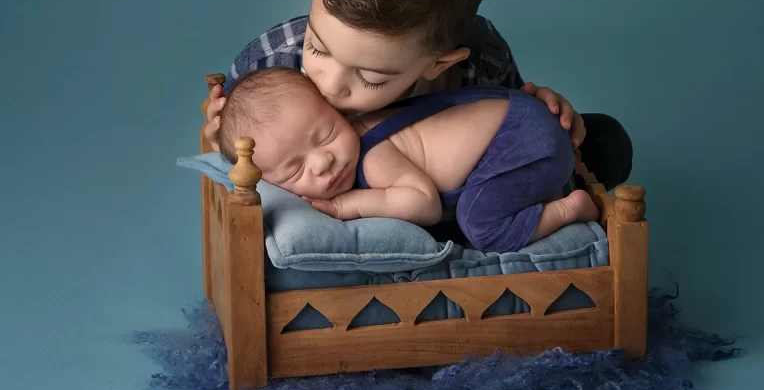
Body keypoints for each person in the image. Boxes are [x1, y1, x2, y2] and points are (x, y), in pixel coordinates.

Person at [205, 0, 632, 192]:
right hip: (338, 196)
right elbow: (231, 136)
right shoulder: (272, 57)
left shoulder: (482, 60)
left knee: (603, 141)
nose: (331, 84)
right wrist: (219, 129)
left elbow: (508, 132)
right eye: (318, 47)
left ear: (440, 63)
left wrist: (549, 117)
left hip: (445, 194)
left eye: (371, 76)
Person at [219, 68, 599, 253]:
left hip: (522, 142)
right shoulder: (342, 138)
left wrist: (343, 206)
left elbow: (425, 204)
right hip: (515, 123)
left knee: (480, 226)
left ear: (336, 110)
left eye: (326, 135)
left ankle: (568, 209)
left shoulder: (371, 158)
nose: (323, 162)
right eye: (295, 169)